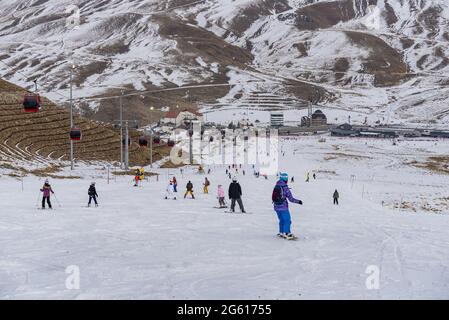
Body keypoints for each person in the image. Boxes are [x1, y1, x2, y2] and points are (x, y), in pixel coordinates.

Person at [272, 173, 303, 240]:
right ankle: (287, 233)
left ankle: (281, 232)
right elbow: (291, 199)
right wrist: (298, 201)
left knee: (281, 220)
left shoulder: (277, 185)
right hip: (283, 207)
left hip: (276, 206)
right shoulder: (285, 188)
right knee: (287, 220)